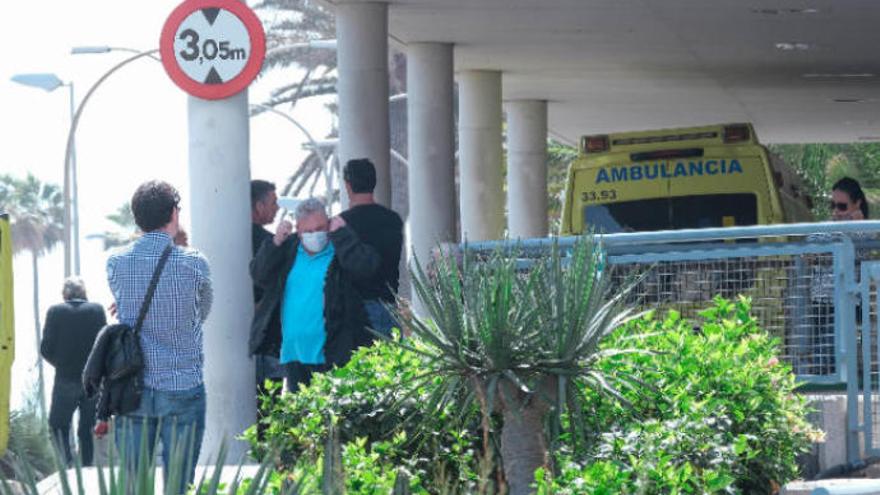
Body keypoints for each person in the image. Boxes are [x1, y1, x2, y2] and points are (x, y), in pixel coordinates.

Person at [107, 180, 212, 493]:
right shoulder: (195, 263)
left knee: (135, 485)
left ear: (137, 217)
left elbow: (125, 307)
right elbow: (203, 312)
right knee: (180, 486)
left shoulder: (116, 263)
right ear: (174, 213)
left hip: (133, 387)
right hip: (182, 385)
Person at [251, 197, 375, 391]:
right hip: (295, 354)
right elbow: (259, 274)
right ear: (298, 230)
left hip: (334, 353)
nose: (315, 235)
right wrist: (275, 242)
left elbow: (366, 269)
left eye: (320, 228)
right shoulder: (289, 249)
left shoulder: (339, 248)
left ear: (328, 224)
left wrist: (344, 235)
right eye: (308, 231)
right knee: (301, 417)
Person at [332, 158, 404, 336]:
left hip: (357, 311)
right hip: (389, 305)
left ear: (348, 186)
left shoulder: (341, 225)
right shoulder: (393, 219)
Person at [806, 177, 869, 375]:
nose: (835, 211)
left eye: (842, 206)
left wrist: (829, 252)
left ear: (857, 204)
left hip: (848, 302)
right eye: (832, 205)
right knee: (823, 351)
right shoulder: (824, 227)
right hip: (821, 302)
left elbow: (860, 250)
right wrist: (835, 249)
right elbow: (809, 252)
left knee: (832, 356)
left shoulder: (866, 229)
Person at [40, 277, 106, 466]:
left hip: (65, 378)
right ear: (84, 293)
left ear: (65, 294)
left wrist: (61, 364)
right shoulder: (97, 310)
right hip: (93, 381)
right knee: (87, 428)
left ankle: (67, 464)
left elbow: (45, 349)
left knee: (57, 425)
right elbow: (105, 345)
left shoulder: (55, 311)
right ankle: (85, 469)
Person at [249, 180, 285, 426]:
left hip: (252, 340)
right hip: (267, 339)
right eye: (273, 202)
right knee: (269, 414)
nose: (277, 207)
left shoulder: (231, 240)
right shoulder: (268, 244)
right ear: (258, 206)